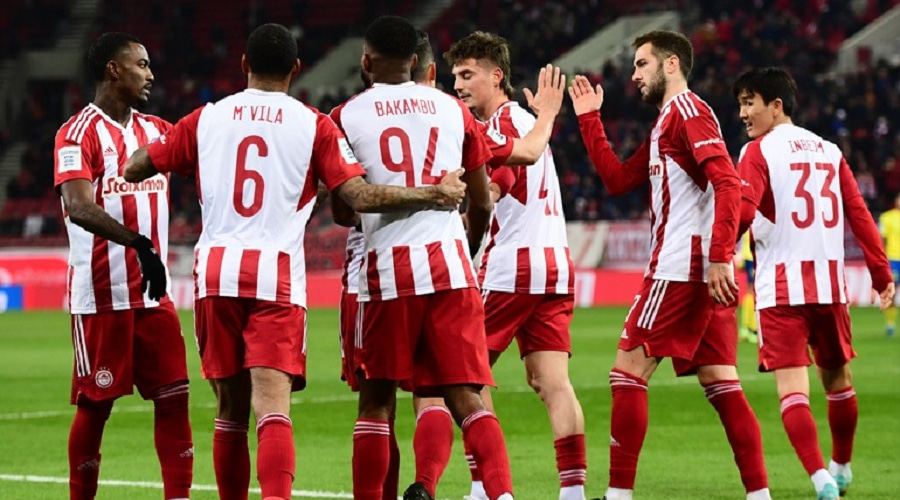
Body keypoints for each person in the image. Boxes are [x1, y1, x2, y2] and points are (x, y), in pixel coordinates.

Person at [123, 23, 466, 500]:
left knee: (230, 412)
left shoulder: (207, 119)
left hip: (217, 272)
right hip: (276, 276)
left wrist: (180, 148)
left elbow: (135, 167)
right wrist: (433, 193)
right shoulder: (313, 123)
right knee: (272, 408)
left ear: (244, 64)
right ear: (297, 69)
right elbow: (360, 197)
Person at [335, 28, 567, 500]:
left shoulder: (344, 116)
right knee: (466, 395)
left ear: (366, 63)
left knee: (377, 402)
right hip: (451, 270)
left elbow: (344, 208)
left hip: (386, 274)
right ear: (426, 68)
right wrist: (469, 243)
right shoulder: (453, 112)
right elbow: (485, 197)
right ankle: (500, 495)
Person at [567, 30, 771, 500]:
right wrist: (590, 120)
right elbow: (619, 180)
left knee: (626, 372)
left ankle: (618, 496)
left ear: (671, 64)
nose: (634, 75)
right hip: (701, 272)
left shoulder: (688, 112)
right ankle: (760, 495)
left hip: (680, 268)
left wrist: (719, 257)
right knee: (721, 382)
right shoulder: (666, 123)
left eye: (642, 64)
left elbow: (727, 182)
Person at [732, 67, 895, 500]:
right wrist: (880, 274)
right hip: (829, 287)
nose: (743, 114)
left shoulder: (757, 152)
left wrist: (719, 251)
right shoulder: (830, 150)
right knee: (839, 381)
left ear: (776, 106)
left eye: (749, 103)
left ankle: (820, 478)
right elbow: (859, 214)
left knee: (793, 393)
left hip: (781, 290)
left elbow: (744, 210)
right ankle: (841, 466)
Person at [442, 31, 586, 500]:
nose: (458, 85)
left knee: (462, 374)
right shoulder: (528, 120)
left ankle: (484, 487)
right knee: (553, 382)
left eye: (468, 74)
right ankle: (573, 492)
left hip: (512, 266)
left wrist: (467, 208)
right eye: (455, 76)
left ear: (496, 76)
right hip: (555, 264)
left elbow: (502, 179)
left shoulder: (502, 124)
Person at [54, 32, 193, 500]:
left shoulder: (159, 132)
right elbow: (78, 206)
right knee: (96, 406)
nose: (151, 74)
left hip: (153, 296)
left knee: (174, 398)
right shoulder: (76, 134)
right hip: (101, 296)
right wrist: (139, 244)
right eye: (142, 64)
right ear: (113, 70)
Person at [879, 193, 899, 337]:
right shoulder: (886, 217)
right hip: (893, 259)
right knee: (892, 292)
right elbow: (882, 239)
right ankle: (890, 323)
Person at [737, 233, 758, 342]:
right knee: (751, 291)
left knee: (751, 291)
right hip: (751, 256)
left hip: (749, 254)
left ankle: (748, 326)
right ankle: (750, 327)